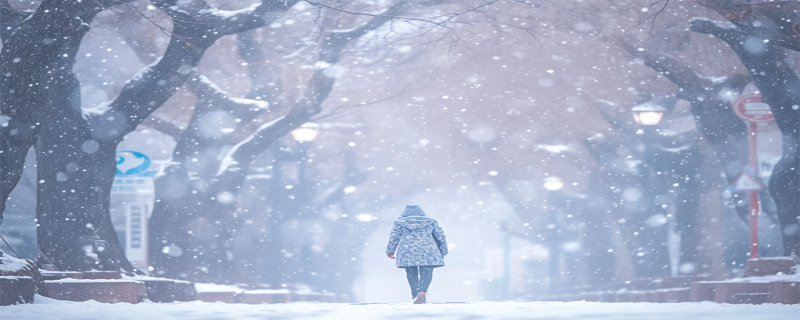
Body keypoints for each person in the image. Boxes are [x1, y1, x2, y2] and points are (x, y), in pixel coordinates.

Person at [385, 205, 448, 304]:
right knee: (426, 271)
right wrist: (443, 250)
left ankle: (415, 293)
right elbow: (440, 236)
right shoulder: (431, 222)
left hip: (407, 250)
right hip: (427, 249)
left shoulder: (400, 223)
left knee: (411, 272)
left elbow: (394, 237)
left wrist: (390, 251)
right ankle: (421, 292)